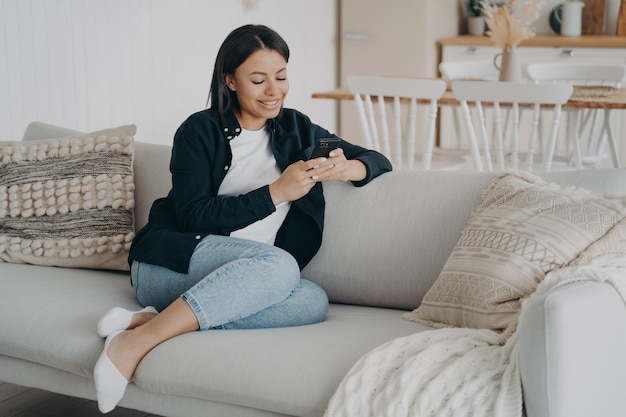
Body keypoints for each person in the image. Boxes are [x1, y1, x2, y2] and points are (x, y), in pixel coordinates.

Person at [93, 23, 392, 413]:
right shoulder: (199, 131)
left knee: (312, 301)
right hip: (168, 263)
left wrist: (349, 168)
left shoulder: (298, 128)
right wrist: (276, 193)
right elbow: (190, 214)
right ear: (231, 80)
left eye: (281, 77)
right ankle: (133, 344)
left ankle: (151, 323)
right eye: (258, 79)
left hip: (243, 278)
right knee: (280, 266)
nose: (274, 91)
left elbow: (377, 159)